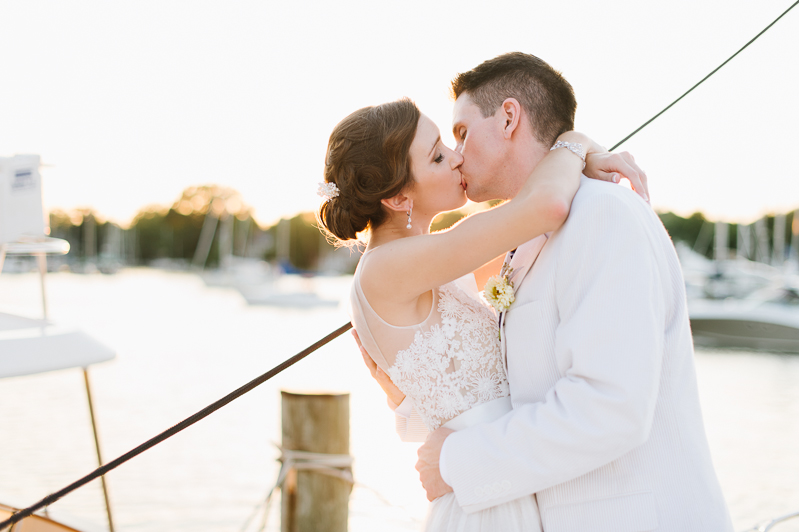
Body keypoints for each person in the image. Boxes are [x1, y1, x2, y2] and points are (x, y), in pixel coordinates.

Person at [357, 53, 735, 531]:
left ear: (509, 118)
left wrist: (455, 461)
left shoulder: (603, 215)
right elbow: (509, 389)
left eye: (461, 133)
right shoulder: (521, 240)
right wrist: (413, 398)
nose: (456, 155)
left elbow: (610, 406)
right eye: (443, 147)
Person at [317, 90, 645, 529]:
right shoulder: (385, 268)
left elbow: (528, 230)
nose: (457, 158)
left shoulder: (430, 258)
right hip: (485, 506)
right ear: (397, 198)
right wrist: (577, 143)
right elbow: (542, 207)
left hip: (498, 478)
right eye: (437, 157)